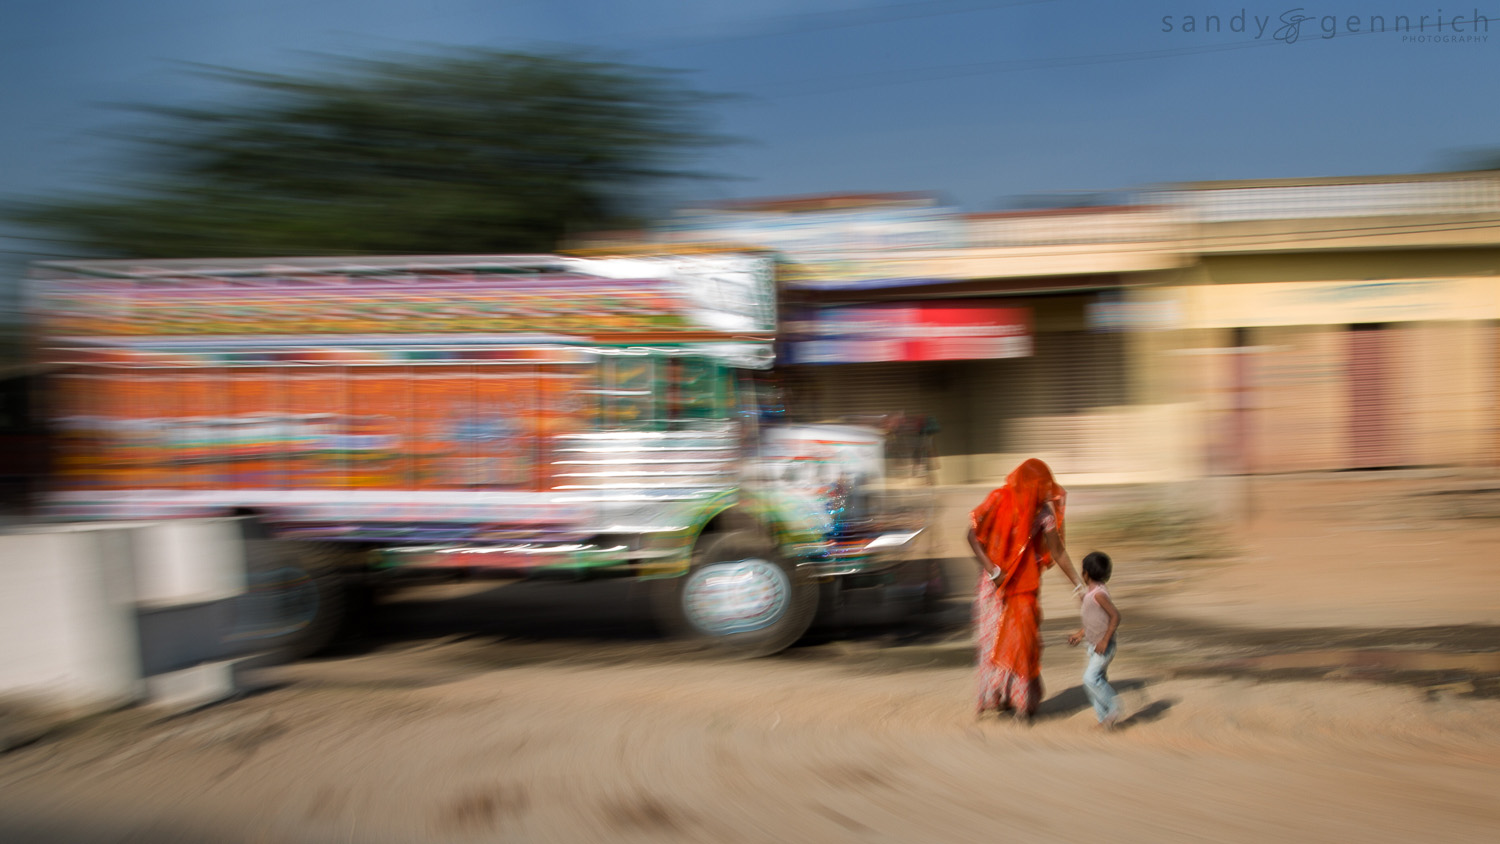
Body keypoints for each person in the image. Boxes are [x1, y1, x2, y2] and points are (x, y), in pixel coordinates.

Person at [968, 458, 1083, 721]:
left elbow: (1058, 552)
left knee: (1023, 641)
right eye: (1037, 487)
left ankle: (1021, 701)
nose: (1041, 493)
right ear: (1024, 484)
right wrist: (994, 570)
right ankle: (997, 696)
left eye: (1044, 487)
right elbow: (972, 536)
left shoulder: (1044, 514)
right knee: (993, 641)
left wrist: (1079, 586)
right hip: (994, 585)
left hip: (1024, 586)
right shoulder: (999, 499)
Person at [1069, 551, 1123, 728]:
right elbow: (1095, 621)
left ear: (1086, 574)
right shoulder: (1090, 594)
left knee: (1090, 679)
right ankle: (1104, 719)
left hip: (1104, 647)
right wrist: (1080, 634)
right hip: (1093, 646)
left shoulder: (1099, 594)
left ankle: (1114, 707)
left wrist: (1105, 640)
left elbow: (1115, 616)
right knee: (1095, 682)